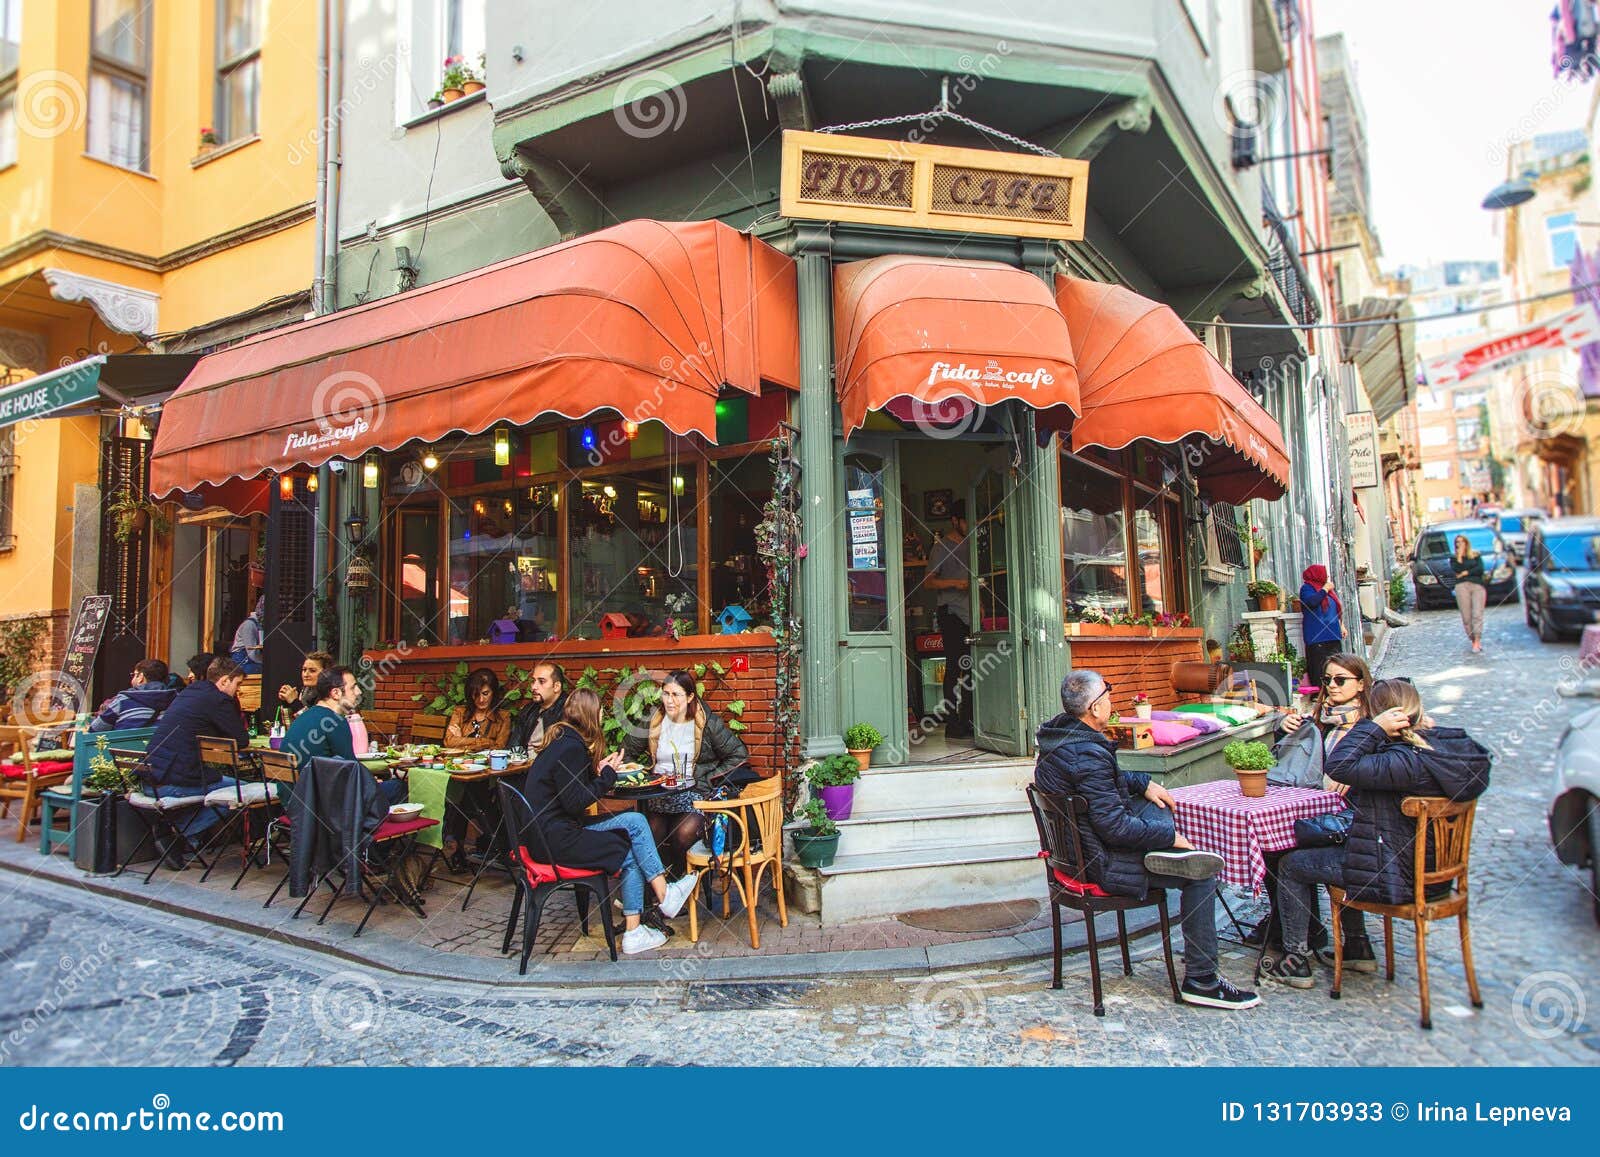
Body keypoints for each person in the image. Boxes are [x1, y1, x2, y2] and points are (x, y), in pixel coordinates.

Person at [1034, 670, 1259, 1010]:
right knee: (1201, 874)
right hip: (1103, 862)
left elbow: (1104, 782)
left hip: (1083, 850)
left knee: (1154, 808)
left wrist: (1142, 783)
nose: (1112, 698)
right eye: (1108, 692)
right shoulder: (1087, 753)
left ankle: (1166, 851)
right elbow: (1115, 827)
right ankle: (1202, 980)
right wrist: (1168, 835)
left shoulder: (1061, 738)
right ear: (1095, 708)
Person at [1262, 678, 1491, 989]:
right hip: (1436, 876)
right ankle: (1357, 946)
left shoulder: (1399, 761)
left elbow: (1340, 766)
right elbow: (1480, 753)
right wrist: (1423, 728)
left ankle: (1295, 960)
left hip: (1395, 875)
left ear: (1378, 715)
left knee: (1291, 864)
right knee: (1349, 846)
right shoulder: (1448, 753)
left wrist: (1374, 730)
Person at [521, 689, 700, 954]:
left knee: (635, 822)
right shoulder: (572, 747)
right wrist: (606, 775)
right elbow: (575, 802)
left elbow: (569, 791)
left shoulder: (562, 740)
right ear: (590, 715)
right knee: (628, 849)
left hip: (546, 835)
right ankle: (639, 926)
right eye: (601, 711)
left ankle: (662, 899)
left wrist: (598, 772)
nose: (603, 715)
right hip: (556, 840)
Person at [1258, 652, 1376, 953]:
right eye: (1327, 680)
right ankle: (1305, 928)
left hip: (1350, 823)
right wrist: (1284, 726)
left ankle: (1302, 943)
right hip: (1318, 813)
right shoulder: (1319, 721)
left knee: (1287, 853)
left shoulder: (1370, 727)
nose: (1332, 686)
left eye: (1341, 679)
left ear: (1361, 684)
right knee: (1278, 844)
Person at [622, 670, 751, 875]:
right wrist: (646, 777)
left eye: (676, 695)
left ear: (690, 696)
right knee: (650, 834)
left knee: (683, 834)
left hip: (695, 794)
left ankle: (678, 883)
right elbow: (626, 752)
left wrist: (707, 778)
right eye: (666, 694)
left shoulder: (706, 722)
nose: (669, 701)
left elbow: (739, 754)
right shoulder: (653, 720)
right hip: (659, 795)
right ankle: (653, 889)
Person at [141, 657, 251, 837]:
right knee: (243, 791)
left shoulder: (189, 691)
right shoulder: (218, 699)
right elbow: (241, 740)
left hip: (151, 779)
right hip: (172, 783)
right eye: (237, 684)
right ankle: (179, 832)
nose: (237, 691)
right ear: (224, 681)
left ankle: (184, 838)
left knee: (222, 785)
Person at [281, 665, 405, 806]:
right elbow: (352, 771)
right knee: (397, 787)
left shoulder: (303, 716)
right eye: (353, 687)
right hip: (323, 807)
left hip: (293, 805)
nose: (358, 692)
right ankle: (372, 828)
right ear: (336, 693)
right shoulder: (335, 721)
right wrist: (371, 780)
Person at [926, 506, 973, 739]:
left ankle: (970, 720)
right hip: (951, 613)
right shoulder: (941, 547)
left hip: (972, 613)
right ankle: (953, 722)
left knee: (973, 668)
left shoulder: (973, 545)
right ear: (955, 520)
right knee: (955, 667)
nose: (970, 526)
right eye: (966, 521)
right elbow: (928, 582)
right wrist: (954, 583)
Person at [89, 659, 177, 732]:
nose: (132, 679)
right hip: (159, 750)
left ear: (141, 677)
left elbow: (95, 729)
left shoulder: (123, 701)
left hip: (123, 751)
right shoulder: (177, 700)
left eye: (134, 675)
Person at [444, 667, 512, 751]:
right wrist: (487, 742)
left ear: (493, 693)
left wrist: (461, 740)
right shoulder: (460, 712)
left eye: (485, 693)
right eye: (476, 694)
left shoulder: (503, 717)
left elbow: (499, 748)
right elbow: (449, 742)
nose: (481, 699)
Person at [1298, 564, 1343, 685]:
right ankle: (1319, 694)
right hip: (1317, 636)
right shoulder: (1307, 588)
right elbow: (1313, 602)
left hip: (1333, 635)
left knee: (1336, 665)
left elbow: (1336, 609)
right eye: (1324, 573)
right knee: (1319, 666)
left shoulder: (1328, 591)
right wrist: (1325, 589)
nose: (1326, 576)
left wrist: (1341, 625)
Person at [507, 661, 567, 751]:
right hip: (523, 763)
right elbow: (513, 748)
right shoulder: (528, 711)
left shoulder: (569, 711)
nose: (534, 687)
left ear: (556, 686)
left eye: (541, 681)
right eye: (533, 681)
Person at [275, 650, 334, 726]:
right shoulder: (305, 693)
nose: (306, 674)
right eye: (304, 670)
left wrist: (294, 702)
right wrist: (287, 702)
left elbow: (313, 726)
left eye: (312, 671)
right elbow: (292, 727)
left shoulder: (332, 695)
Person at [1451, 533, 1488, 653]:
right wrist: (1460, 557)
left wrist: (1465, 573)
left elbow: (1479, 569)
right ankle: (1472, 639)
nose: (1459, 544)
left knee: (1477, 614)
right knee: (1466, 616)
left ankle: (1477, 640)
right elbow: (1456, 569)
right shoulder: (1453, 558)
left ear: (1466, 543)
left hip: (1477, 586)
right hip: (1461, 587)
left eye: (1462, 541)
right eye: (1457, 542)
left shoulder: (1475, 555)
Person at [229, 597, 265, 673]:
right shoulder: (249, 625)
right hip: (243, 661)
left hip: (253, 659)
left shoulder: (260, 625)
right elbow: (252, 653)